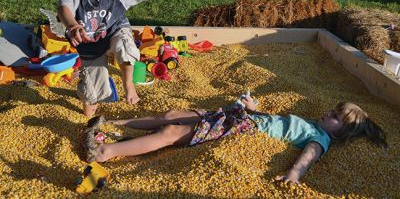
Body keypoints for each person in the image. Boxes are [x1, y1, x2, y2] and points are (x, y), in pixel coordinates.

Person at [86, 95, 387, 183]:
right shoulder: (311, 123)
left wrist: (294, 174)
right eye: (334, 109)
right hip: (240, 117)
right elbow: (278, 123)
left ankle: (106, 152)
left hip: (241, 132)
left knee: (172, 132)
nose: (328, 112)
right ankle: (113, 122)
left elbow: (307, 157)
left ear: (339, 133)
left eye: (335, 116)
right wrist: (257, 109)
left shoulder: (320, 139)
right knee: (173, 114)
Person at [57, 0, 195, 117]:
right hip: (89, 43)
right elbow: (64, 8)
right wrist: (72, 25)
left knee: (127, 48)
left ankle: (128, 84)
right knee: (92, 92)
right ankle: (88, 116)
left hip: (115, 29)